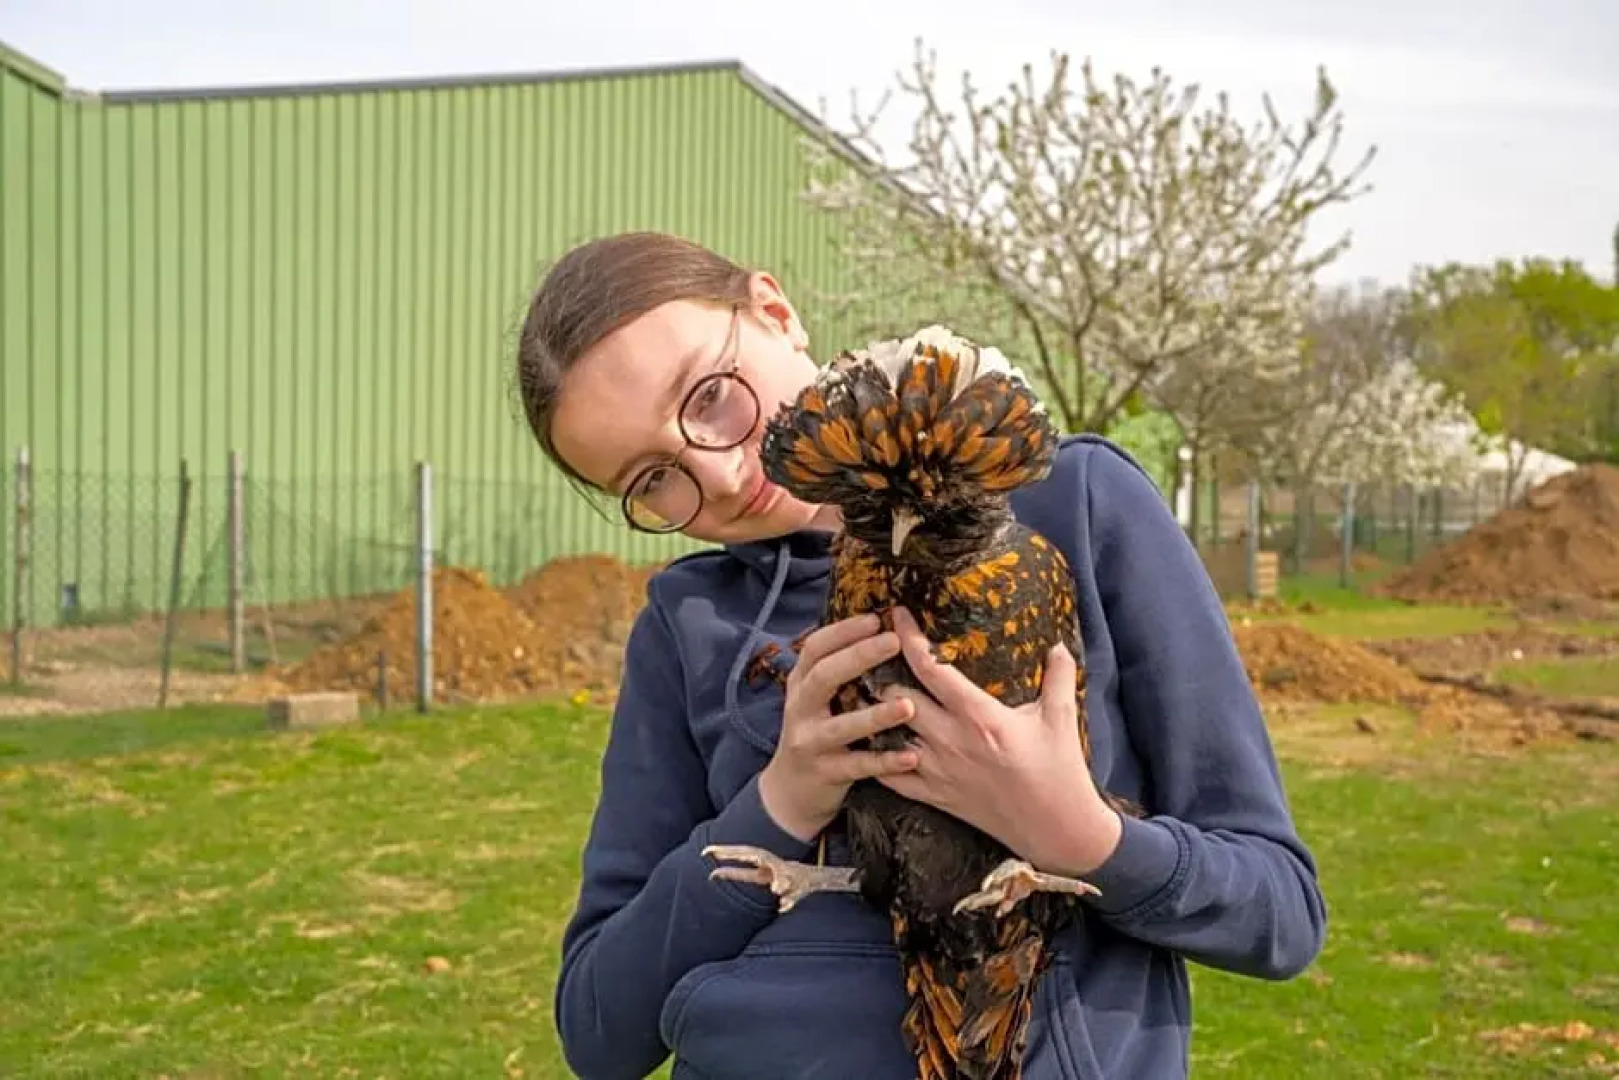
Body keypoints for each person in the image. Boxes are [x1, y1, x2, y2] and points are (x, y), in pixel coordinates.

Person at [515, 230, 1326, 1080]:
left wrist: (1082, 836)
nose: (714, 476)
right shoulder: (686, 622)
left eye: (710, 396)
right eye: (650, 479)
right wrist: (779, 805)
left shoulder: (1073, 507)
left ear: (775, 312)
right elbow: (597, 1031)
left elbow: (1277, 914)